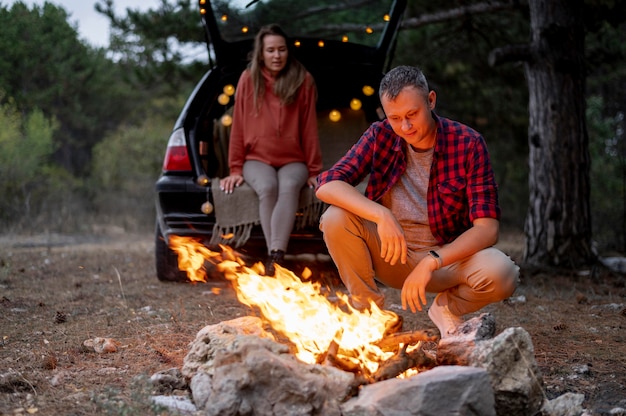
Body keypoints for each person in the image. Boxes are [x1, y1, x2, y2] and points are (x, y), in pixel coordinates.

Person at [315, 65, 519, 339]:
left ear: (431, 100)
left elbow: (487, 229)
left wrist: (432, 260)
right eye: (395, 118)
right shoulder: (380, 135)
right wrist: (381, 215)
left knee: (503, 272)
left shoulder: (468, 143)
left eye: (412, 114)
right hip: (391, 254)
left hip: (447, 260)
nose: (405, 127)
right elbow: (327, 184)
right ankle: (369, 316)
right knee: (334, 218)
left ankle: (446, 309)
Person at [220, 24, 322, 276]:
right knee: (267, 188)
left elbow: (309, 128)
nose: (276, 55)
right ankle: (275, 255)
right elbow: (239, 126)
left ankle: (275, 255)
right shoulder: (248, 78)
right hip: (256, 159)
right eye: (270, 50)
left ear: (288, 52)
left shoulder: (303, 79)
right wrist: (235, 167)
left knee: (288, 187)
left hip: (293, 160)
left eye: (281, 49)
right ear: (261, 53)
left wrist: (314, 170)